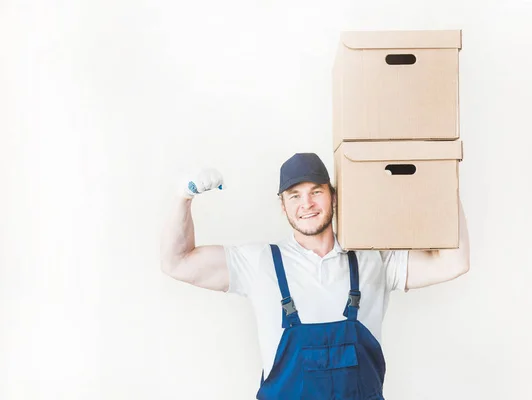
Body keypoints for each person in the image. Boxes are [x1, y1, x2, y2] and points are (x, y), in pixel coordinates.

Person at [160, 152, 470, 400]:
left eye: (315, 192)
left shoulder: (373, 260)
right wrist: (182, 198)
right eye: (294, 196)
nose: (306, 204)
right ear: (282, 206)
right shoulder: (259, 263)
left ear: (334, 197)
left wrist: (442, 175)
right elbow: (178, 261)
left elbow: (454, 262)